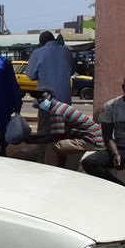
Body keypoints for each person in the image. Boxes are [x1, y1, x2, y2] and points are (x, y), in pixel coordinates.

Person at [82, 73, 125, 188]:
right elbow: (107, 136)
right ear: (123, 87)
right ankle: (120, 188)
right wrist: (115, 153)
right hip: (120, 149)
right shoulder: (111, 106)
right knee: (89, 162)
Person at [25, 88, 104, 168]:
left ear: (51, 97)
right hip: (96, 138)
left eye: (42, 98)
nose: (40, 100)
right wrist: (34, 138)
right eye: (38, 99)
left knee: (52, 147)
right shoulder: (61, 106)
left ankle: (50, 172)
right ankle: (60, 168)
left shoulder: (56, 112)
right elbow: (60, 136)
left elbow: (55, 137)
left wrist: (33, 140)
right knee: (61, 144)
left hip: (92, 140)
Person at [25, 31, 74, 161]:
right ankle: (61, 162)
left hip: (46, 101)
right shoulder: (66, 51)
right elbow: (72, 70)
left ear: (41, 42)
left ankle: (42, 161)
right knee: (62, 134)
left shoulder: (38, 52)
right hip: (65, 101)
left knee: (44, 133)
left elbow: (30, 75)